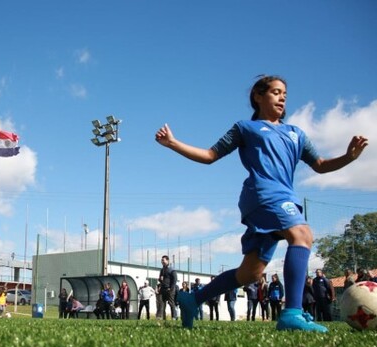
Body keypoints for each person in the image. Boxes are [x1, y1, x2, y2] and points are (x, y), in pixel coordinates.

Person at [156, 75, 368, 332]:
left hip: (281, 199)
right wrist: (173, 143)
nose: (282, 98)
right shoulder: (245, 128)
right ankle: (292, 314)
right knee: (302, 234)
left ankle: (192, 300)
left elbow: (320, 166)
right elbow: (210, 155)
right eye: (276, 92)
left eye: (285, 95)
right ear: (258, 96)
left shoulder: (296, 134)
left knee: (251, 274)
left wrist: (349, 157)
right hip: (264, 195)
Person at [158, 255, 177, 320]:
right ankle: (161, 317)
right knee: (161, 303)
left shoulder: (172, 269)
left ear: (167, 260)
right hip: (163, 288)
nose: (162, 261)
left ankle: (174, 317)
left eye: (163, 260)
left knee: (171, 303)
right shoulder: (162, 269)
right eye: (161, 260)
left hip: (169, 289)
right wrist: (160, 279)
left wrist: (171, 288)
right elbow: (160, 279)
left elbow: (174, 279)